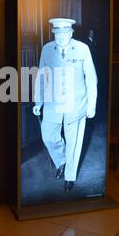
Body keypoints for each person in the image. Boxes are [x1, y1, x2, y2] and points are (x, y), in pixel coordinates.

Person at [33, 18, 98, 192]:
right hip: (53, 104)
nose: (61, 38)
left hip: (76, 104)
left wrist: (91, 105)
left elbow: (91, 78)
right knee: (48, 136)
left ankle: (69, 176)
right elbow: (41, 77)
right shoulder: (47, 49)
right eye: (57, 34)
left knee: (73, 142)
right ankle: (61, 160)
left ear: (71, 33)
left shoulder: (82, 49)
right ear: (54, 34)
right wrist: (38, 101)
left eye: (64, 34)